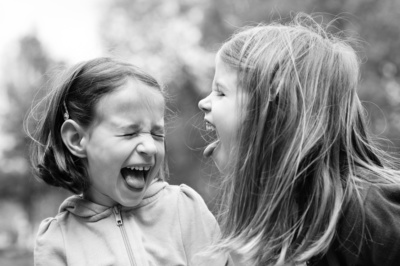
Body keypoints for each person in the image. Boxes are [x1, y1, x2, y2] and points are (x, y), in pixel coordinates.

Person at [198, 13, 400, 266]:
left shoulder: (371, 216)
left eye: (220, 92)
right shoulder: (273, 228)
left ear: (274, 113)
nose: (203, 102)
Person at [26, 57, 226, 266]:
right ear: (77, 139)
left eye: (157, 134)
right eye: (130, 133)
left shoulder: (184, 209)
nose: (149, 147)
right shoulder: (59, 241)